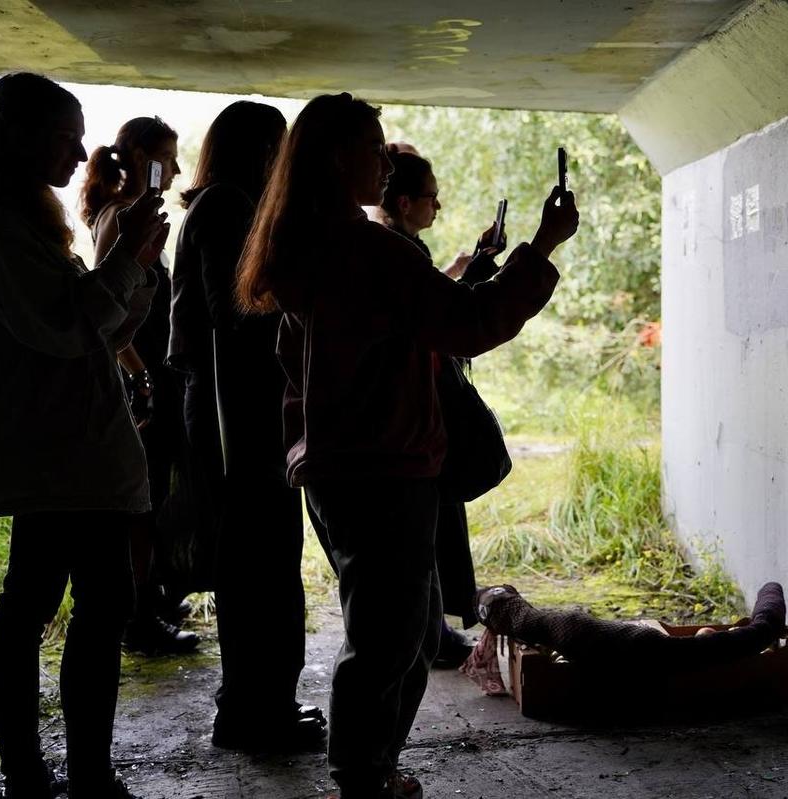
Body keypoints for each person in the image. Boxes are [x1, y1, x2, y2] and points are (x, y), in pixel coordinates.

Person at [235, 92, 579, 799]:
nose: (384, 164)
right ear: (338, 158)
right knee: (389, 638)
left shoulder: (303, 245)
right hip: (385, 466)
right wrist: (543, 245)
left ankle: (371, 770)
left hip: (336, 466)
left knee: (402, 630)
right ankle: (362, 778)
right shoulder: (367, 249)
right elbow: (471, 321)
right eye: (372, 147)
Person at [0, 72, 168, 799]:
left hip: (67, 450)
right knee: (64, 606)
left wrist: (137, 261)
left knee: (67, 603)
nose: (79, 153)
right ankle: (51, 776)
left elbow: (100, 329)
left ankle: (54, 774)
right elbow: (70, 327)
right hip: (56, 453)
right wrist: (125, 256)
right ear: (21, 137)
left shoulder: (21, 223)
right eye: (66, 137)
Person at [166, 100, 327, 751]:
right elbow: (239, 311)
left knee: (258, 562)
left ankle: (257, 703)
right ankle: (256, 710)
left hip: (235, 411)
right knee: (262, 565)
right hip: (240, 417)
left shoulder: (219, 206)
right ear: (261, 153)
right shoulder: (228, 208)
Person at [374, 146, 505, 668]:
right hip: (414, 421)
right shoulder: (396, 251)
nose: (438, 205)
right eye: (432, 196)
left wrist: (478, 261)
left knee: (428, 532)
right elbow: (450, 321)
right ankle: (428, 635)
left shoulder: (398, 247)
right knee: (424, 533)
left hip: (414, 419)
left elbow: (441, 310)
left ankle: (432, 631)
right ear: (406, 202)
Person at [81, 116, 200, 656]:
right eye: (168, 159)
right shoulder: (122, 217)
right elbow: (109, 309)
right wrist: (141, 375)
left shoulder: (135, 215)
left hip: (152, 374)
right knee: (143, 501)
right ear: (145, 162)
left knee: (154, 494)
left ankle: (151, 598)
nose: (175, 170)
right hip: (143, 378)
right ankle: (139, 616)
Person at [473, 582, 788, 669]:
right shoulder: (528, 620)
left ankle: (767, 609)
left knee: (696, 651)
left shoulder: (525, 622)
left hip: (625, 643)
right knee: (697, 651)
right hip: (630, 644)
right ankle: (767, 606)